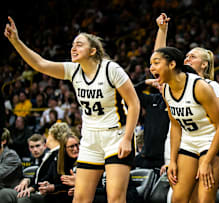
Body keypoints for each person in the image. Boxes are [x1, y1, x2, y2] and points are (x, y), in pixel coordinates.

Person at [4, 16, 140, 203]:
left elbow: (134, 104)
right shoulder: (73, 70)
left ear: (93, 51)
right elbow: (40, 64)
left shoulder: (111, 69)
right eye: (73, 45)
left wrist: (127, 138)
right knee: (80, 198)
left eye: (79, 44)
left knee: (115, 198)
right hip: (90, 137)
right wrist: (16, 42)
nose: (73, 48)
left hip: (115, 136)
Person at [150, 47, 219, 203]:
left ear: (172, 65)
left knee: (205, 198)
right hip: (189, 142)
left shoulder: (200, 86)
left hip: (210, 139)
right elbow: (176, 126)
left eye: (156, 63)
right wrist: (172, 160)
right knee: (178, 198)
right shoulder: (166, 89)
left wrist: (206, 162)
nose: (151, 68)